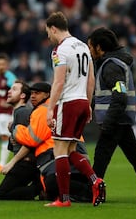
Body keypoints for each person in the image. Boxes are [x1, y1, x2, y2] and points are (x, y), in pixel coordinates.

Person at [87, 27, 136, 202]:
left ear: (100, 47)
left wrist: (108, 122)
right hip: (121, 119)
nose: (90, 51)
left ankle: (92, 191)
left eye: (91, 47)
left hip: (115, 120)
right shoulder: (115, 64)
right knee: (135, 156)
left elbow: (119, 95)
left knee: (101, 156)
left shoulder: (111, 66)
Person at [44, 11, 105, 207]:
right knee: (71, 149)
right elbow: (91, 79)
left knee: (59, 150)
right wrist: (88, 105)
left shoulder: (59, 50)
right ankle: (96, 180)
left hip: (67, 103)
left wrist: (50, 109)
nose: (48, 37)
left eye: (48, 33)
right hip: (81, 102)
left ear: (54, 28)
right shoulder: (83, 46)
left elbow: (59, 82)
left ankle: (63, 199)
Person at [11, 82, 94, 203]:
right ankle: (86, 190)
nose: (33, 96)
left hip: (57, 156)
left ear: (47, 94)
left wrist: (16, 129)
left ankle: (87, 193)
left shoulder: (43, 110)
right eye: (32, 93)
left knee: (52, 183)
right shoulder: (60, 105)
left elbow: (32, 139)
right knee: (66, 180)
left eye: (37, 93)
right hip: (78, 156)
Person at [0, 80, 41, 200]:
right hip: (26, 162)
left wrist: (12, 163)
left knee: (2, 195)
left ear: (22, 96)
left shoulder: (22, 112)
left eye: (14, 89)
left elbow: (30, 141)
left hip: (26, 162)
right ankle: (39, 188)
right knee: (9, 192)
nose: (9, 91)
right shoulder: (18, 113)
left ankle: (40, 188)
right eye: (10, 89)